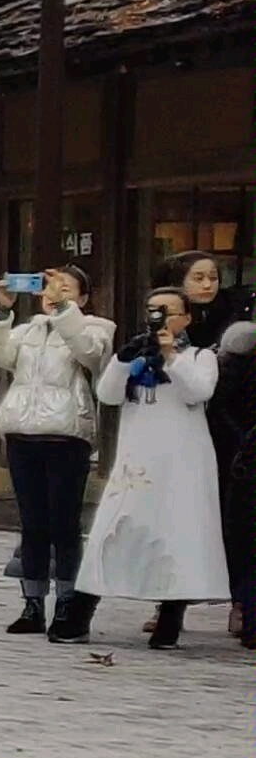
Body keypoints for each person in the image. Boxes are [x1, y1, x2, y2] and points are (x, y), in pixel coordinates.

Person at [67, 283, 225, 648]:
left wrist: (171, 357)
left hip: (183, 459)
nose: (160, 318)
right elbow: (106, 395)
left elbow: (198, 392)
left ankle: (170, 618)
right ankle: (79, 614)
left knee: (178, 532)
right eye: (154, 310)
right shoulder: (136, 352)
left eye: (169, 311)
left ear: (186, 318)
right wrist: (124, 362)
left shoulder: (201, 356)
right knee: (114, 526)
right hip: (137, 458)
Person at [0, 266, 112, 637]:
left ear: (83, 298)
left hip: (67, 435)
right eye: (49, 287)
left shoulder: (97, 329)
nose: (54, 294)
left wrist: (68, 312)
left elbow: (90, 354)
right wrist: (2, 312)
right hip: (23, 432)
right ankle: (32, 603)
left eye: (65, 288)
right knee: (32, 522)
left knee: (64, 523)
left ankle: (69, 603)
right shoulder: (28, 330)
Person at [162, 252, 254, 644]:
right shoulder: (164, 320)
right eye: (197, 277)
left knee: (235, 520)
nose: (207, 285)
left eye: (213, 277)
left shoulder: (236, 318)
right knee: (177, 517)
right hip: (177, 428)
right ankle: (170, 604)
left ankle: (242, 602)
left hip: (228, 429)